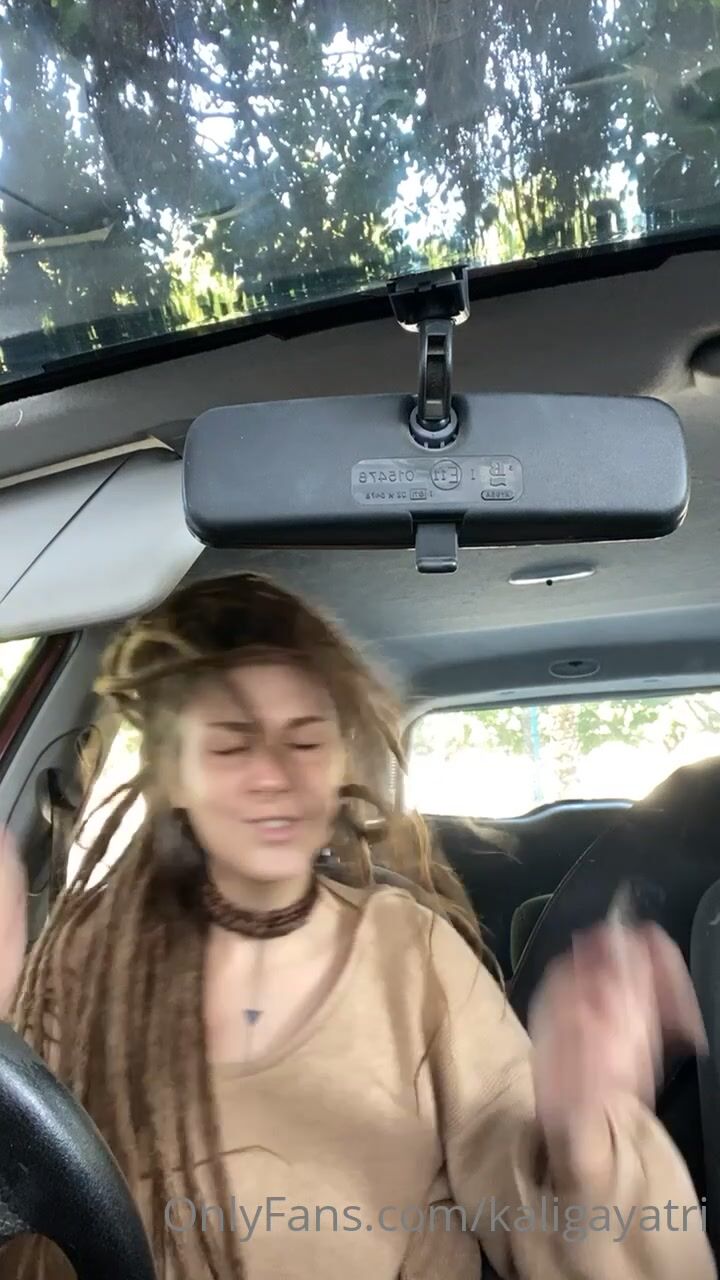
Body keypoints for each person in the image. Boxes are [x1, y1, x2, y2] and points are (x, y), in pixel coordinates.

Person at [0, 571, 714, 1280]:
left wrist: (587, 1136)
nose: (274, 775)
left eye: (305, 741)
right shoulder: (85, 954)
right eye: (232, 745)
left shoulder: (412, 952)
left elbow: (528, 1205)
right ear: (175, 774)